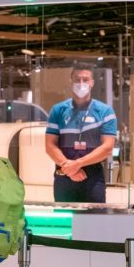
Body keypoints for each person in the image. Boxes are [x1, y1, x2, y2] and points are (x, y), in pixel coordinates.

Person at [45, 65, 117, 203]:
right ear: (71, 81)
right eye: (77, 79)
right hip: (64, 172)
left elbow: (107, 147)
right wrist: (70, 168)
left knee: (93, 220)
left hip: (93, 175)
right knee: (64, 221)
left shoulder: (105, 112)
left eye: (85, 79)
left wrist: (77, 164)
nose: (81, 83)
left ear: (92, 83)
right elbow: (50, 146)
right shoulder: (58, 110)